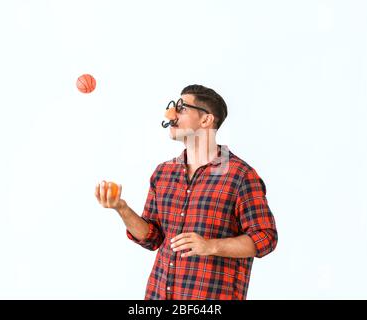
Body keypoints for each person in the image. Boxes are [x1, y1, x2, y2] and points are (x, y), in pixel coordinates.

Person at [95, 84, 278, 300]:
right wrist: (122, 208)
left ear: (206, 120)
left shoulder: (240, 175)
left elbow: (265, 237)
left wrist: (210, 245)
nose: (170, 114)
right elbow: (153, 238)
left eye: (181, 108)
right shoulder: (163, 173)